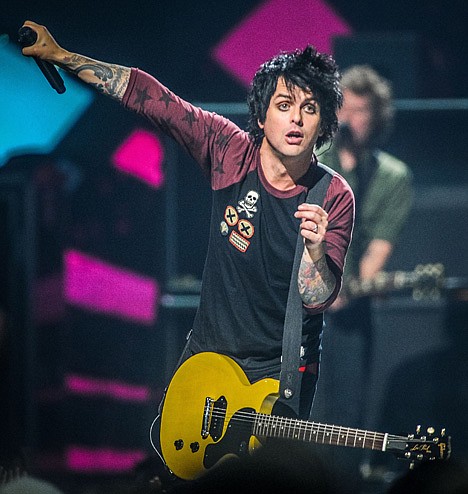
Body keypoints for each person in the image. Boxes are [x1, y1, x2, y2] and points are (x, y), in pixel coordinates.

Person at [21, 19, 353, 447]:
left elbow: (317, 299)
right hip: (207, 359)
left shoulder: (333, 194)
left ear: (323, 123)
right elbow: (153, 99)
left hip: (279, 374)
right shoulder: (230, 151)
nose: (296, 119)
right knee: (175, 470)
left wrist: (314, 250)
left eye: (310, 109)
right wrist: (62, 57)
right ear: (261, 113)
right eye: (285, 104)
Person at [310, 65, 413, 489]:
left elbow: (377, 252)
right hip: (298, 301)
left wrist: (348, 289)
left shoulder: (392, 177)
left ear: (378, 117)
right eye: (345, 108)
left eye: (361, 110)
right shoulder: (315, 161)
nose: (351, 117)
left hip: (350, 311)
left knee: (346, 412)